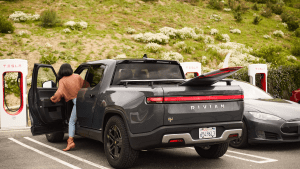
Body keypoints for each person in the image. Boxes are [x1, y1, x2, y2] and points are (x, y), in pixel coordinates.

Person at [50, 63, 85, 151]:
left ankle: (70, 142)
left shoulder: (62, 80)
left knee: (71, 122)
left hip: (76, 102)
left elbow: (59, 93)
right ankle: (71, 142)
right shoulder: (77, 76)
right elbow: (86, 85)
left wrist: (53, 98)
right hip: (84, 100)